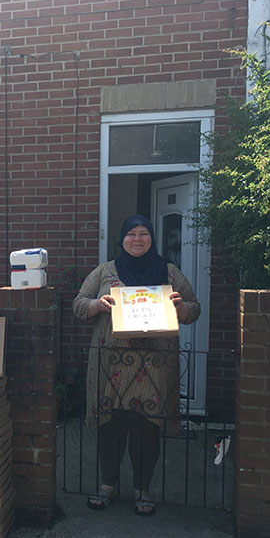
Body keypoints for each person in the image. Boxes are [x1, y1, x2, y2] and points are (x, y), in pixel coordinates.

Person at [72, 214, 200, 516]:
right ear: (122, 239)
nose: (138, 239)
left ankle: (143, 490)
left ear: (152, 238)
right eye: (131, 234)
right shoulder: (105, 272)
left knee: (147, 429)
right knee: (111, 426)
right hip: (111, 363)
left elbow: (194, 309)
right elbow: (79, 304)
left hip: (154, 364)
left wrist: (181, 307)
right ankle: (108, 486)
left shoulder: (168, 272)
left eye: (144, 233)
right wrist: (97, 305)